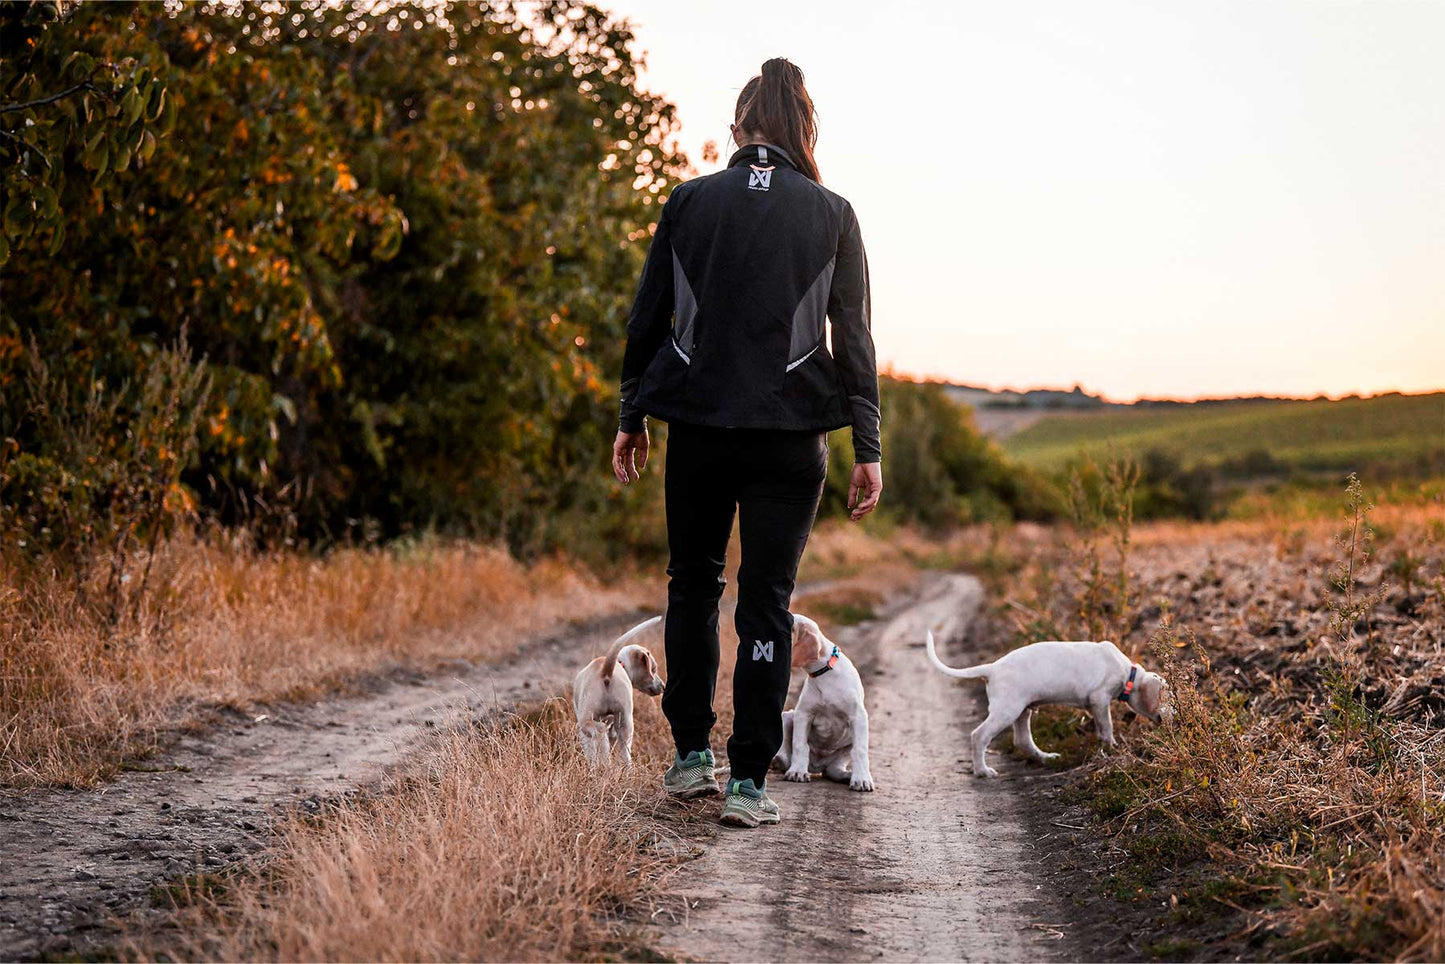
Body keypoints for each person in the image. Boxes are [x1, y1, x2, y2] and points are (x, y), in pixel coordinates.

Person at [611, 57, 882, 828]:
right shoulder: (832, 212)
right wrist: (868, 444)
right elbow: (853, 337)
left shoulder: (688, 201)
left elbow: (646, 318)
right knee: (766, 603)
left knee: (692, 586)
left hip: (696, 426)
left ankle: (691, 756)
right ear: (801, 132)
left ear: (736, 132)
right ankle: (748, 784)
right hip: (790, 440)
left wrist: (631, 414)